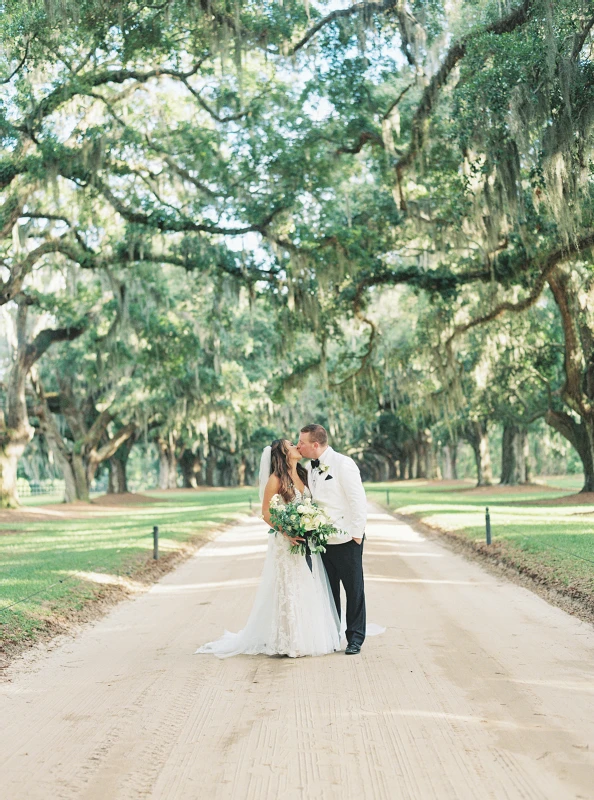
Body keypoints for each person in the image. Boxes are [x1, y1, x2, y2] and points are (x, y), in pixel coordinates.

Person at [195, 439, 340, 658]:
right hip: (286, 542)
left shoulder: (303, 474)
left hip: (306, 540)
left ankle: (308, 635)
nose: (296, 447)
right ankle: (290, 641)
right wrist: (287, 531)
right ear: (283, 452)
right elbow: (266, 512)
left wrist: (312, 522)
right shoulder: (276, 479)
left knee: (308, 584)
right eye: (291, 445)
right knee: (290, 586)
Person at [297, 424, 368, 655]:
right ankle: (332, 635)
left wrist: (356, 535)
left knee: (354, 589)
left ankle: (355, 638)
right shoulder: (309, 467)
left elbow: (358, 500)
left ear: (315, 444)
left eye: (302, 443)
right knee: (329, 592)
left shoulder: (343, 464)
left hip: (347, 539)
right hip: (323, 541)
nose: (299, 446)